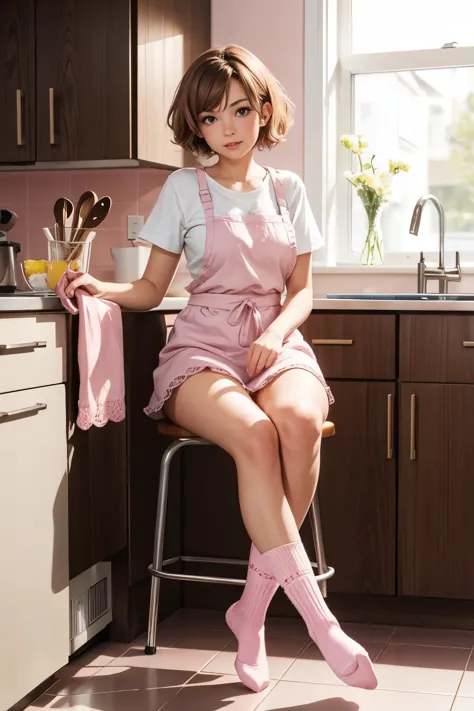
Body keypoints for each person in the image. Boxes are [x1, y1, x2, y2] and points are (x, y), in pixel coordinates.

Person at [65, 45, 377, 694]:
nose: (228, 127)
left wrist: (274, 331)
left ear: (263, 111)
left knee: (295, 420)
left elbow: (302, 291)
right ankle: (322, 624)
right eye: (210, 118)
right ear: (196, 127)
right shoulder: (182, 189)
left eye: (239, 110)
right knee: (256, 436)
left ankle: (250, 612)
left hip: (275, 341)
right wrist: (100, 286)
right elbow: (152, 288)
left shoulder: (289, 190)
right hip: (202, 348)